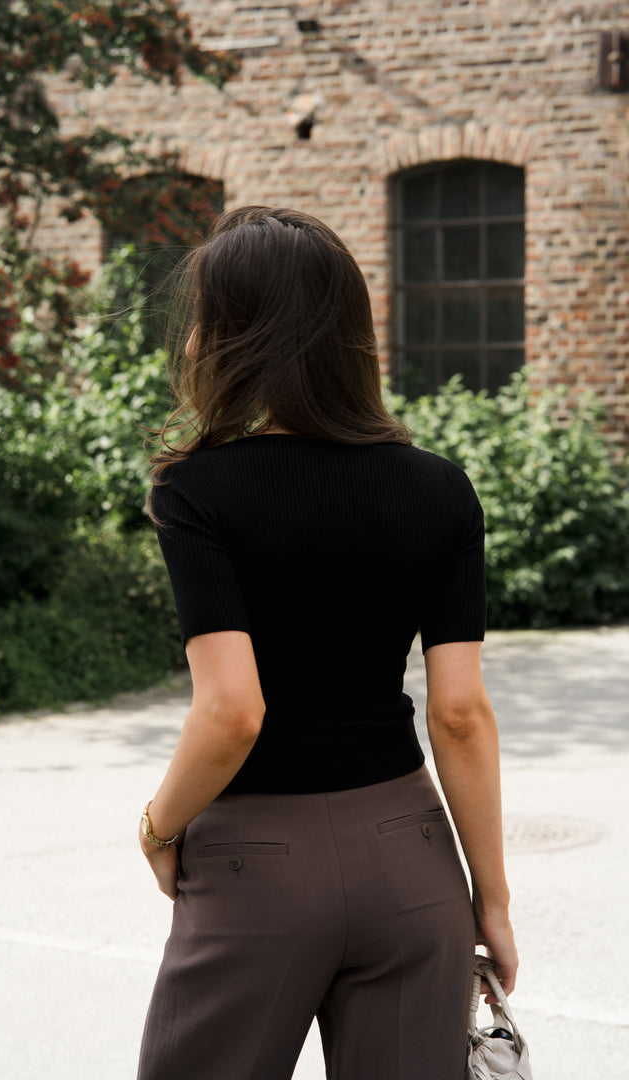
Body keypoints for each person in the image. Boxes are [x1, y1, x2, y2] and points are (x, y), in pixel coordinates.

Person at [136, 206, 518, 1080]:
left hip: (254, 865)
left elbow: (233, 713)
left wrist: (159, 826)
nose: (189, 340)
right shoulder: (441, 490)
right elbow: (460, 713)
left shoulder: (197, 491)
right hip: (411, 860)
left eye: (203, 319)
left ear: (240, 337)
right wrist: (489, 900)